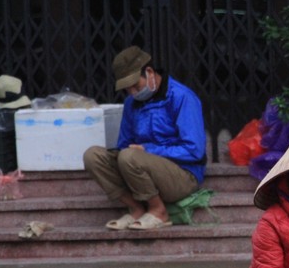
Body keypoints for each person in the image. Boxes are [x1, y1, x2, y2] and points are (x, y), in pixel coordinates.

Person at [83, 46, 206, 230]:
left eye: (135, 85)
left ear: (149, 72)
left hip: (182, 175)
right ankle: (136, 209)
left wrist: (148, 151)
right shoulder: (131, 103)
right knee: (92, 156)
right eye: (127, 89)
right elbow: (123, 145)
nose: (132, 92)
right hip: (141, 171)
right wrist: (124, 156)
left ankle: (159, 211)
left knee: (130, 156)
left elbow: (194, 150)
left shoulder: (182, 97)